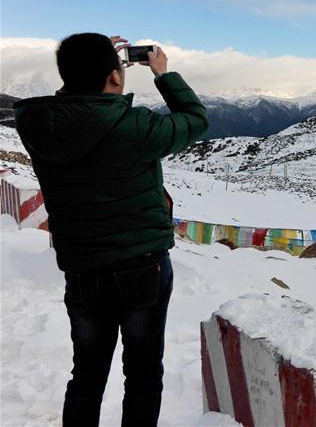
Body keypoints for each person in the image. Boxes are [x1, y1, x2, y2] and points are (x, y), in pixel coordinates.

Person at [14, 33, 208, 427]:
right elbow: (195, 120)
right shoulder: (136, 126)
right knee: (142, 375)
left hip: (82, 268)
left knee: (85, 376)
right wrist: (162, 74)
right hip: (142, 267)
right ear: (116, 78)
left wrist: (97, 62)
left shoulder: (39, 126)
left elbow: (78, 108)